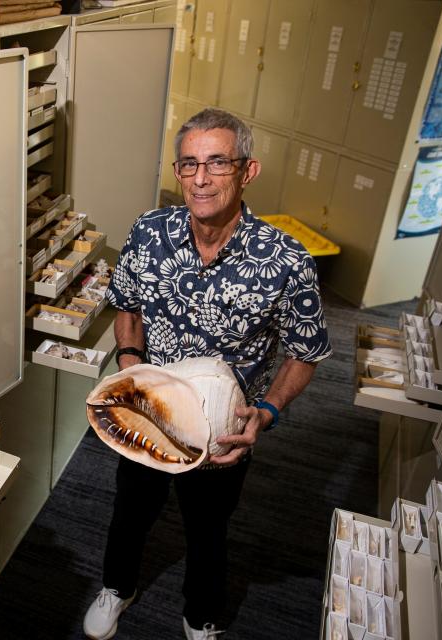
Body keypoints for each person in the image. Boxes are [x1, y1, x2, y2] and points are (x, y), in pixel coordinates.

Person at [82, 108, 332, 640]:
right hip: (149, 412)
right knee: (130, 511)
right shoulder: (150, 232)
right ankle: (117, 587)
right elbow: (126, 305)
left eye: (217, 163)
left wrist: (266, 412)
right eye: (190, 164)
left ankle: (201, 615)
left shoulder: (286, 260)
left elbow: (305, 352)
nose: (201, 178)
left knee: (207, 528)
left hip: (223, 427)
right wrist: (131, 367)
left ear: (248, 171)